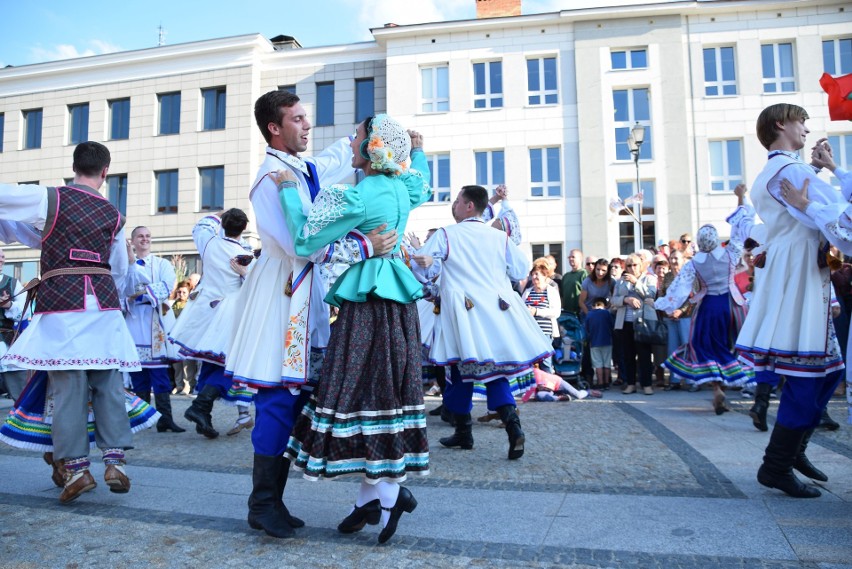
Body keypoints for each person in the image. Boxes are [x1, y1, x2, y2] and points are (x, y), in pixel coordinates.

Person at [225, 90, 396, 539]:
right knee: (278, 403)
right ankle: (261, 504)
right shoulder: (270, 178)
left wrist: (374, 134)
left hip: (303, 300)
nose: (306, 126)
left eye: (306, 117)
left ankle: (272, 502)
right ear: (273, 128)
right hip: (283, 299)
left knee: (294, 403)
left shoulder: (301, 168)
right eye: (297, 119)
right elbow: (305, 245)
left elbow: (340, 156)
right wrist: (364, 244)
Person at [278, 114, 431, 544]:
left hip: (367, 307)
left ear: (372, 146)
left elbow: (305, 241)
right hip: (399, 306)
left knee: (360, 390)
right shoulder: (403, 188)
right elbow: (423, 181)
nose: (351, 142)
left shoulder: (358, 195)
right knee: (384, 392)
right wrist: (417, 149)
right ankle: (371, 498)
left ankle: (388, 494)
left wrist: (288, 191)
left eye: (358, 136)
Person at [0, 141, 141, 503]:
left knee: (68, 387)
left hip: (64, 303)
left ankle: (77, 469)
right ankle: (116, 462)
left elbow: (6, 199)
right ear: (105, 172)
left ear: (74, 166)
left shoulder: (52, 199)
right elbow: (120, 271)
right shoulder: (114, 214)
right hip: (104, 305)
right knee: (108, 380)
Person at [736, 103, 852, 498]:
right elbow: (841, 219)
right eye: (801, 121)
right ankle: (777, 464)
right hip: (799, 276)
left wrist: (824, 171)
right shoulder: (790, 170)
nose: (806, 127)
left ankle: (793, 450)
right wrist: (827, 177)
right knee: (809, 371)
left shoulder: (776, 170)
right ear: (780, 125)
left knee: (830, 369)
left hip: (797, 272)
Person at [413, 185, 553, 461]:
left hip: (463, 314)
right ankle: (513, 429)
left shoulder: (446, 235)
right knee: (494, 372)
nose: (453, 205)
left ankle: (464, 431)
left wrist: (431, 277)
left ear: (468, 206)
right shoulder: (498, 237)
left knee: (458, 370)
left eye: (456, 201)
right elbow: (519, 270)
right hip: (494, 314)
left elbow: (421, 270)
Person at [171, 210, 255, 439]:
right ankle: (200, 407)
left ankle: (203, 413)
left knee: (211, 361)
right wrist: (246, 272)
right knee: (229, 365)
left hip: (207, 312)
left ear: (223, 225)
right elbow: (254, 285)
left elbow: (200, 226)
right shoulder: (244, 254)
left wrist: (215, 215)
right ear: (244, 228)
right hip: (231, 314)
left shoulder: (209, 242)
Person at [654, 224, 751, 414]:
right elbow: (740, 231)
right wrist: (741, 198)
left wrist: (663, 303)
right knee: (731, 344)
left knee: (707, 347)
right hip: (732, 305)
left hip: (707, 307)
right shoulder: (730, 253)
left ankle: (717, 388)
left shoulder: (693, 263)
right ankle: (724, 386)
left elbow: (680, 289)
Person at [124, 226, 186, 433]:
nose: (145, 239)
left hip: (155, 321)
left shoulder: (162, 263)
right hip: (132, 321)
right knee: (138, 374)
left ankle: (164, 418)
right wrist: (132, 295)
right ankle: (141, 418)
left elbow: (167, 286)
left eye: (148, 236)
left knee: (159, 372)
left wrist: (140, 294)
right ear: (132, 241)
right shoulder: (122, 265)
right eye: (140, 236)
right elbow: (118, 290)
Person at [611, 253, 658, 395]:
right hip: (625, 321)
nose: (632, 268)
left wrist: (636, 283)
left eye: (635, 265)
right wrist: (626, 299)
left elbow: (650, 295)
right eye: (629, 265)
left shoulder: (649, 278)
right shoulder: (620, 281)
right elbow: (613, 299)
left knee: (644, 354)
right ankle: (630, 383)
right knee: (628, 354)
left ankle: (647, 384)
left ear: (641, 265)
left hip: (642, 322)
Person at [659, 250, 694, 391]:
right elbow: (663, 294)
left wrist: (681, 310)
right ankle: (674, 380)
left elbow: (693, 296)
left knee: (687, 348)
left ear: (683, 260)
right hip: (670, 317)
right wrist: (666, 309)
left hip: (686, 316)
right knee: (672, 349)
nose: (674, 261)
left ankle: (692, 381)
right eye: (671, 258)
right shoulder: (667, 277)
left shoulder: (689, 275)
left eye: (677, 259)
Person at [521, 258, 561, 370]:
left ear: (545, 276)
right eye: (532, 274)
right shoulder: (527, 292)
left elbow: (556, 312)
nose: (534, 277)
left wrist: (537, 311)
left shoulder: (551, 291)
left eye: (537, 274)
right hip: (530, 333)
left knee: (545, 362)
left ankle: (547, 386)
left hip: (545, 333)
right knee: (530, 362)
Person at [0, 247, 28, 400]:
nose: (1, 259)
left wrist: (8, 306)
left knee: (19, 391)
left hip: (6, 340)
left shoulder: (12, 283)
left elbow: (25, 311)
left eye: (3, 256)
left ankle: (21, 422)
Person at [584, 297, 614, 389]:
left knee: (598, 364)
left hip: (594, 343)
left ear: (593, 306)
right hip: (607, 342)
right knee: (607, 363)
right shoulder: (607, 313)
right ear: (604, 305)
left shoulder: (589, 314)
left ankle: (600, 383)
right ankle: (607, 383)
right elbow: (612, 325)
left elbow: (586, 329)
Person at [560, 249, 587, 317]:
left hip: (579, 314)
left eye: (573, 257)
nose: (570, 259)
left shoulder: (584, 274)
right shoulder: (566, 276)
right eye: (569, 257)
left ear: (580, 259)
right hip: (566, 313)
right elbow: (562, 295)